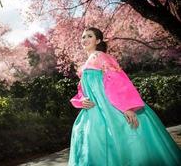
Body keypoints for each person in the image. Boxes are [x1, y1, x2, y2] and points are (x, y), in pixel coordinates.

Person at [68, 27, 181, 166]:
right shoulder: (84, 66)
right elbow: (82, 90)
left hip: (111, 110)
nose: (84, 39)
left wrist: (128, 107)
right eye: (83, 37)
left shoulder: (100, 56)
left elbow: (118, 81)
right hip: (93, 112)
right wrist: (81, 100)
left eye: (89, 36)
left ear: (98, 40)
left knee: (126, 145)